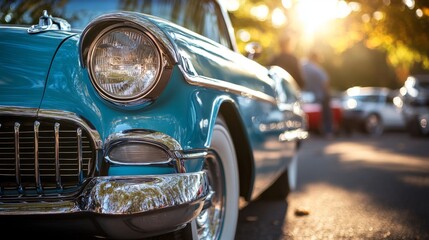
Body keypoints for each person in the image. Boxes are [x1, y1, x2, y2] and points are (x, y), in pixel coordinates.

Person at [301, 50, 333, 137]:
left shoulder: (303, 65)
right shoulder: (316, 68)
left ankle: (307, 129)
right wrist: (327, 92)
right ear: (316, 58)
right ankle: (328, 131)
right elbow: (325, 81)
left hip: (306, 94)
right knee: (326, 112)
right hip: (319, 95)